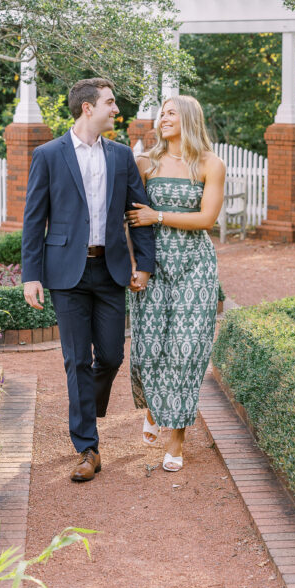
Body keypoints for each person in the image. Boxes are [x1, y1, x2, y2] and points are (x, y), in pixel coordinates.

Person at [22, 78, 155, 482]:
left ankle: (85, 406)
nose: (116, 110)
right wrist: (31, 276)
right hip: (66, 272)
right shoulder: (48, 155)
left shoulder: (120, 156)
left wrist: (143, 263)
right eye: (110, 103)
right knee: (77, 360)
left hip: (110, 268)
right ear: (87, 108)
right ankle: (87, 447)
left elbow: (138, 211)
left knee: (112, 355)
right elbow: (34, 219)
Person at [126, 95, 225, 472]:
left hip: (194, 267)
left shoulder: (209, 164)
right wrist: (135, 263)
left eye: (170, 113)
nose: (163, 118)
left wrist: (159, 215)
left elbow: (206, 220)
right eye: (161, 113)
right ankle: (152, 408)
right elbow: (131, 219)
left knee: (187, 351)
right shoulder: (145, 164)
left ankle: (178, 440)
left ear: (188, 118)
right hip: (153, 266)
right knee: (148, 348)